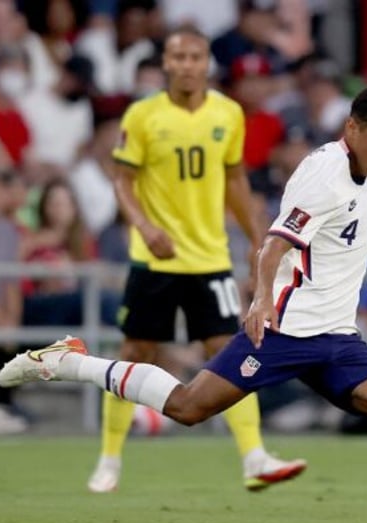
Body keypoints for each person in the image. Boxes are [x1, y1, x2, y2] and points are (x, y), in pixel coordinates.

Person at [0, 85, 367, 523]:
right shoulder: (323, 175)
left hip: (336, 339)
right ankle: (69, 362)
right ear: (351, 128)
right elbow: (276, 242)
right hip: (284, 332)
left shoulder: (357, 174)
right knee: (187, 406)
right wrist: (259, 300)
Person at [72, 25, 304, 494]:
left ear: (206, 63)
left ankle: (254, 457)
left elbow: (235, 180)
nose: (186, 64)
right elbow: (122, 180)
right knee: (137, 351)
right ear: (165, 64)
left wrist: (261, 237)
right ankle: (110, 458)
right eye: (177, 56)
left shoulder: (228, 113)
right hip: (155, 260)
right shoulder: (142, 115)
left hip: (209, 257)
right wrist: (145, 227)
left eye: (195, 56)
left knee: (231, 354)